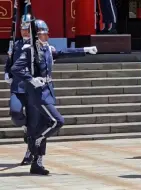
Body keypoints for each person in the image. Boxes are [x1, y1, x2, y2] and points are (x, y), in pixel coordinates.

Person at [11, 19, 98, 175]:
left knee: (44, 124)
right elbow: (15, 68)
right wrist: (31, 79)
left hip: (48, 92)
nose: (46, 37)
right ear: (36, 35)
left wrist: (85, 49)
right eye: (43, 34)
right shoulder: (29, 50)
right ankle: (35, 139)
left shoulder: (47, 50)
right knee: (57, 121)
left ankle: (37, 163)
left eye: (46, 33)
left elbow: (64, 52)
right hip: (39, 95)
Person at [4, 14, 34, 165]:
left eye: (27, 28)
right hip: (17, 87)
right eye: (22, 28)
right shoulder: (16, 44)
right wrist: (6, 72)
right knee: (15, 112)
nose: (24, 31)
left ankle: (30, 153)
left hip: (32, 88)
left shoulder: (37, 45)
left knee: (35, 124)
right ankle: (25, 126)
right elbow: (10, 61)